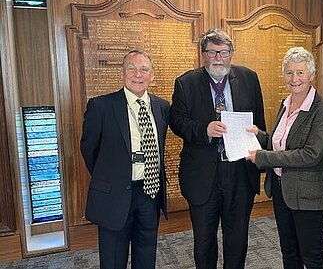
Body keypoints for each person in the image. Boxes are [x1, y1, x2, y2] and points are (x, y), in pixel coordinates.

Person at [169, 28, 266, 269]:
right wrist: (204, 129)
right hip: (203, 175)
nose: (217, 58)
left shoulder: (249, 78)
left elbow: (259, 121)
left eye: (223, 52)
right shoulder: (186, 83)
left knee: (237, 238)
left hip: (239, 173)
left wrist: (258, 139)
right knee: (204, 240)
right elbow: (177, 122)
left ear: (231, 53)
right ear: (203, 54)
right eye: (211, 52)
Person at [245, 47, 323, 268]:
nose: (294, 78)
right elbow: (281, 144)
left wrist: (263, 157)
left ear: (312, 75)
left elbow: (310, 155)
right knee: (289, 253)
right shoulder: (285, 104)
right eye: (289, 73)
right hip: (281, 190)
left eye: (300, 73)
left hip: (308, 197)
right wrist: (260, 136)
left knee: (311, 256)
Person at [80, 50, 170, 269]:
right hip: (115, 196)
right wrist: (111, 177)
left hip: (150, 193)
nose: (137, 74)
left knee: (146, 256)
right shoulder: (100, 106)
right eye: (131, 68)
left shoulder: (162, 107)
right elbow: (89, 150)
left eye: (144, 69)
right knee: (113, 260)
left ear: (152, 75)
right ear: (122, 73)